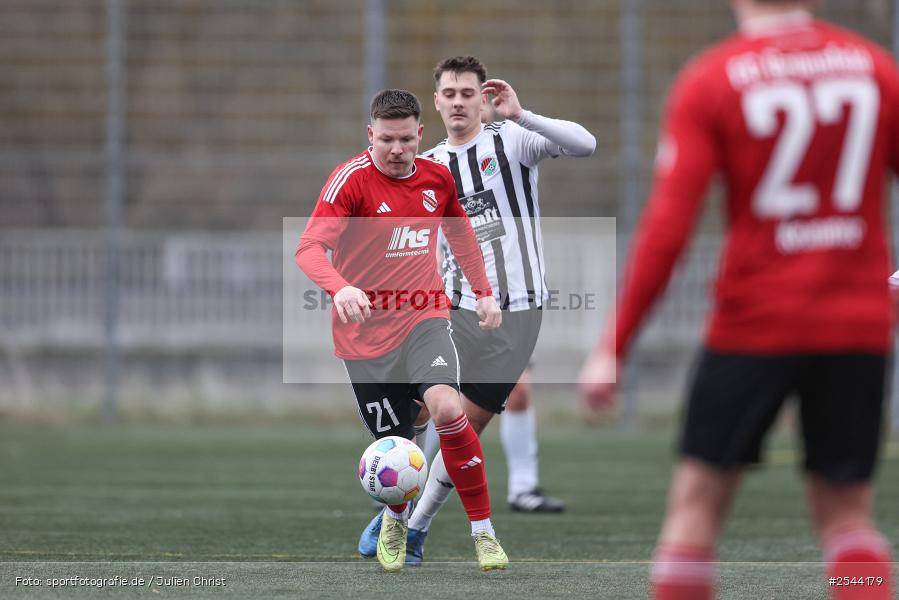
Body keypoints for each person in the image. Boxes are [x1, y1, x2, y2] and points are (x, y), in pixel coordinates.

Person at [579, 1, 899, 598]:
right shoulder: (875, 69)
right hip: (856, 328)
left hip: (755, 324)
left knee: (696, 510)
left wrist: (613, 345)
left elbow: (669, 228)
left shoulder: (713, 78)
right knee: (849, 519)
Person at [359, 55, 595, 566]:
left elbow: (585, 144)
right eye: (451, 93)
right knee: (424, 412)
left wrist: (522, 113)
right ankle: (396, 506)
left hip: (522, 312)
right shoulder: (431, 164)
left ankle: (411, 526)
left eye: (470, 92)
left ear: (482, 97)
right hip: (454, 307)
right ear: (438, 101)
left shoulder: (511, 140)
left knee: (466, 427)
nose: (460, 101)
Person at [295, 88, 508, 572]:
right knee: (399, 449)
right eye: (386, 140)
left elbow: (460, 233)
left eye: (406, 140)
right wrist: (340, 287)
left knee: (449, 409)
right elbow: (308, 249)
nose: (397, 150)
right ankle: (395, 514)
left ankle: (484, 533)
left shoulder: (437, 179)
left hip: (424, 318)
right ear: (370, 135)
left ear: (420, 134)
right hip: (364, 338)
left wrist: (483, 292)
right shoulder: (349, 180)